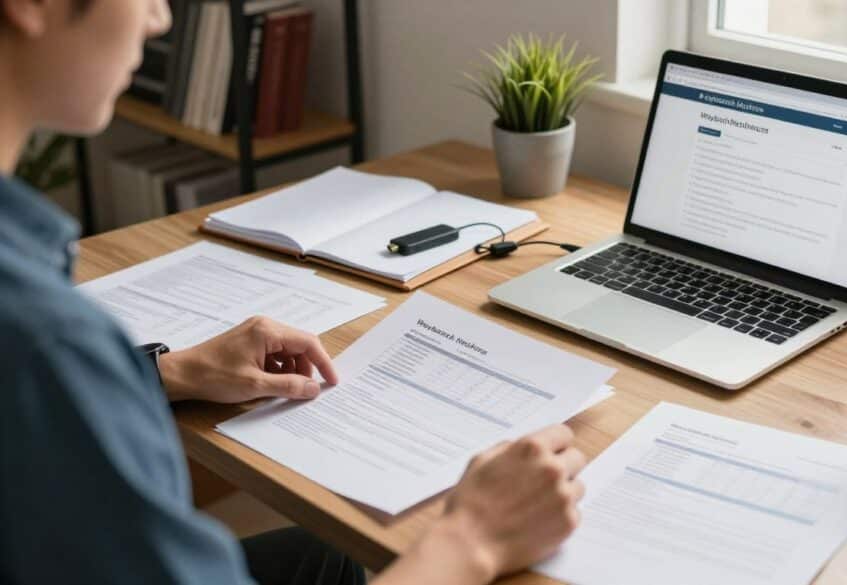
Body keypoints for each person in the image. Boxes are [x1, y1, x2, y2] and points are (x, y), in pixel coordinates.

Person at [0, 1, 586, 584]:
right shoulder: (43, 339)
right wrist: (473, 539)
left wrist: (172, 372)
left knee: (324, 556)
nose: (160, 19)